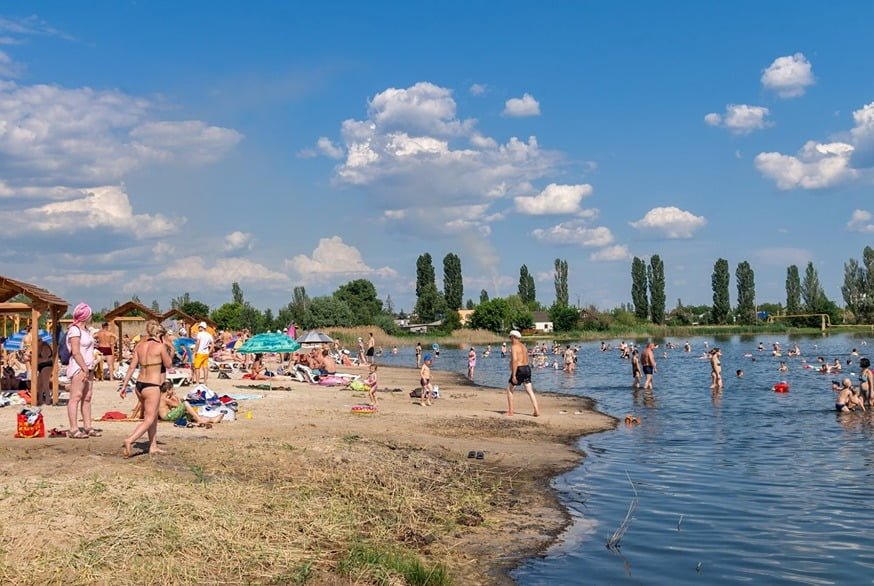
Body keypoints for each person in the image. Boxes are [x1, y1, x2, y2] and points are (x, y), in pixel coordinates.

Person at [121, 320, 172, 457]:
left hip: (139, 384)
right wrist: (169, 348)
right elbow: (168, 364)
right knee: (149, 418)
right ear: (159, 334)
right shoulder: (160, 347)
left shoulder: (140, 346)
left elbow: (132, 367)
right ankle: (130, 440)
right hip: (152, 385)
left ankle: (153, 446)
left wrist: (124, 385)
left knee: (153, 416)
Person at [66, 303, 100, 439]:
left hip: (89, 366)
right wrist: (84, 367)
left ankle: (88, 426)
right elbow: (75, 351)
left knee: (87, 397)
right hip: (79, 367)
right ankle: (73, 428)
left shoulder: (86, 330)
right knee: (76, 396)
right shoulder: (74, 330)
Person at [506, 330, 540, 417]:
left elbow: (515, 360)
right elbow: (526, 359)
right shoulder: (524, 346)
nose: (510, 339)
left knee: (509, 389)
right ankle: (536, 410)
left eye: (510, 337)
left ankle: (510, 412)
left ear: (513, 337)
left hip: (519, 368)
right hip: (527, 368)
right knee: (529, 390)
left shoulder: (514, 347)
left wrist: (514, 375)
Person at [159, 386, 224, 426]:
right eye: (172, 389)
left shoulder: (162, 398)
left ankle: (212, 419)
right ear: (168, 390)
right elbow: (179, 405)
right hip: (168, 416)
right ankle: (200, 420)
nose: (173, 391)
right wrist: (176, 397)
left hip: (169, 416)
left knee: (190, 414)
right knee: (185, 404)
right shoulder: (165, 399)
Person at [36, 338, 53, 405]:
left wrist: (36, 359)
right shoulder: (38, 347)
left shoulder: (45, 346)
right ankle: (40, 400)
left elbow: (46, 359)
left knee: (45, 384)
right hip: (41, 366)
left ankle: (48, 400)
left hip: (46, 366)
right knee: (40, 384)